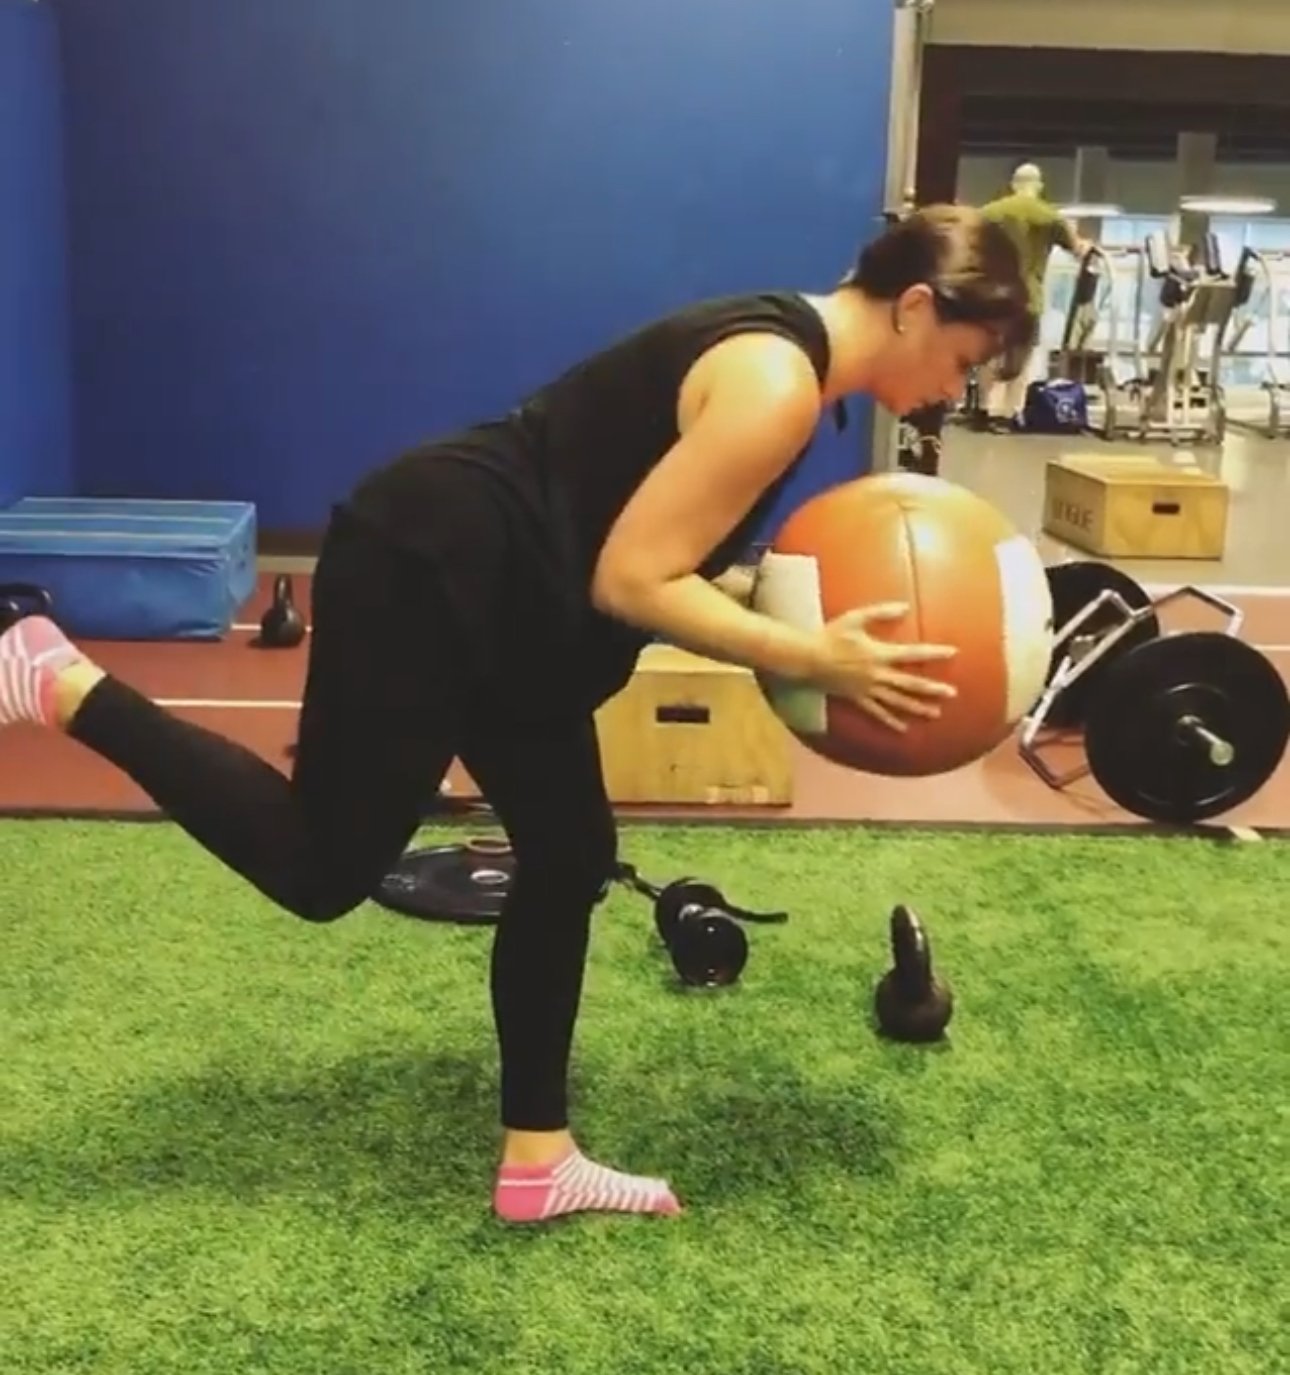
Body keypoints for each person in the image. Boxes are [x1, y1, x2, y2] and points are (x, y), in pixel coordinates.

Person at [0, 203, 1032, 1225]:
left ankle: (538, 1159)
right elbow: (634, 579)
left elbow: (633, 541)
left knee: (572, 851)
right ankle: (58, 678)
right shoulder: (777, 384)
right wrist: (814, 654)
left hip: (512, 612)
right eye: (963, 358)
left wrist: (789, 612)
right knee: (322, 871)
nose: (953, 388)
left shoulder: (785, 361)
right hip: (431, 569)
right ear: (912, 306)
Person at [978, 163, 1089, 430]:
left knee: (989, 353)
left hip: (994, 296)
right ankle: (1009, 413)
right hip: (1029, 297)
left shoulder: (990, 213)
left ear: (1013, 184)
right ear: (1038, 186)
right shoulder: (1049, 216)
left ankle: (986, 410)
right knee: (1021, 357)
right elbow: (1078, 249)